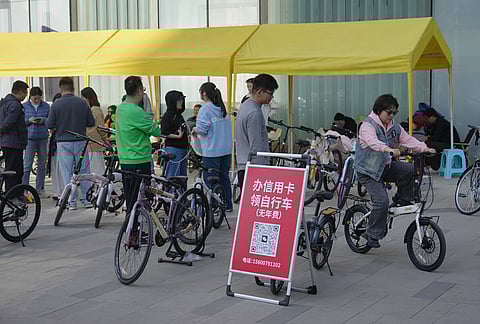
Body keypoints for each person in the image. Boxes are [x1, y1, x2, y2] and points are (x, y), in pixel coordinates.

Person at [354, 94, 435, 248]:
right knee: (382, 202)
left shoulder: (394, 127)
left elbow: (408, 140)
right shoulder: (367, 126)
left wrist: (425, 148)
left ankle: (403, 198)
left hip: (385, 167)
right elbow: (373, 142)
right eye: (388, 112)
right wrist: (389, 149)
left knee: (410, 170)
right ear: (379, 111)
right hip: (368, 172)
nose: (391, 116)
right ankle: (372, 234)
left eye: (394, 113)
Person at [47, 77, 95, 209]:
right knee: (84, 171)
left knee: (67, 173)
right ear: (73, 88)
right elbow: (91, 123)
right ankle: (86, 199)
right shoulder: (82, 103)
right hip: (81, 141)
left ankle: (71, 201)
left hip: (63, 142)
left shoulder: (56, 104)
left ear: (60, 89)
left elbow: (49, 124)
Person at [116, 76, 161, 217]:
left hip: (125, 160)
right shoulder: (136, 111)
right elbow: (155, 130)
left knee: (131, 200)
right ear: (140, 91)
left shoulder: (120, 108)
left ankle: (131, 232)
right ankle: (139, 230)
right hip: (140, 160)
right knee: (142, 200)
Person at [235, 73, 279, 194]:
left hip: (244, 164)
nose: (272, 97)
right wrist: (262, 170)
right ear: (260, 92)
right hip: (253, 168)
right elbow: (256, 147)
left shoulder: (245, 105)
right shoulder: (254, 113)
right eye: (270, 93)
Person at [193, 82, 233, 212]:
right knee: (224, 178)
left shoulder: (205, 109)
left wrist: (194, 129)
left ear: (204, 93)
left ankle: (215, 205)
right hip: (226, 150)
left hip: (212, 151)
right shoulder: (222, 108)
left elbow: (202, 130)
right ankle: (227, 204)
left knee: (211, 180)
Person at [0, 80, 29, 193]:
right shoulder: (15, 105)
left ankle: (11, 194)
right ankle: (12, 195)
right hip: (14, 142)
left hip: (6, 142)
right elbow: (9, 122)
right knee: (15, 171)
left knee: (10, 169)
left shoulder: (4, 102)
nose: (25, 96)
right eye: (25, 93)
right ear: (20, 92)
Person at [22, 86, 50, 197]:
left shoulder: (46, 106)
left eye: (38, 98)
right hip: (29, 138)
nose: (37, 100)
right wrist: (28, 121)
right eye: (35, 98)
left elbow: (51, 121)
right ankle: (24, 189)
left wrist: (43, 120)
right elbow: (20, 122)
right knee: (27, 164)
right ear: (31, 97)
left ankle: (40, 189)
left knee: (42, 164)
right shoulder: (24, 106)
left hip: (43, 137)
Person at [160, 90, 188, 178]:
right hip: (174, 149)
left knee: (181, 176)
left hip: (182, 148)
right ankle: (171, 191)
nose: (181, 102)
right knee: (173, 176)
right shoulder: (168, 116)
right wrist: (178, 136)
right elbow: (164, 132)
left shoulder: (178, 115)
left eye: (182, 100)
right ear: (173, 101)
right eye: (179, 100)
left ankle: (181, 191)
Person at [81, 87, 108, 176]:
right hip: (91, 144)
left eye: (83, 98)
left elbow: (100, 128)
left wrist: (105, 139)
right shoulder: (91, 110)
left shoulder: (95, 110)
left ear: (88, 98)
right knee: (95, 170)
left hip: (94, 144)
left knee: (96, 171)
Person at [48, 93, 62, 200]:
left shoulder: (54, 109)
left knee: (61, 168)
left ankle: (60, 191)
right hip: (55, 142)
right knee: (55, 167)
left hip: (59, 140)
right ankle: (57, 191)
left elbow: (50, 125)